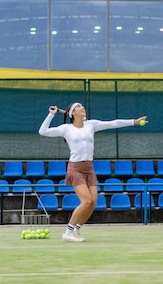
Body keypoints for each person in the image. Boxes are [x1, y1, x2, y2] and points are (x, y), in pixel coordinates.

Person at [38, 102, 147, 243]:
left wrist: (135, 122)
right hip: (75, 168)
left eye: (83, 106)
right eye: (79, 107)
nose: (83, 108)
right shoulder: (66, 129)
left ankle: (76, 230)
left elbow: (113, 123)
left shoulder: (91, 124)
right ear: (72, 113)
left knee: (93, 202)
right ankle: (67, 232)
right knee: (86, 201)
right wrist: (51, 115)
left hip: (89, 168)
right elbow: (43, 131)